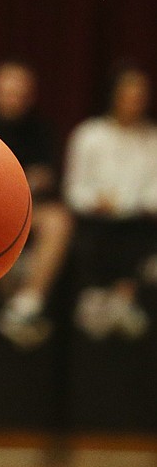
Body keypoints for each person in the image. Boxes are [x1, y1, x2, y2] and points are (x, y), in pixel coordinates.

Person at [0, 60, 74, 350]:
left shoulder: (39, 128)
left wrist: (20, 184)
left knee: (59, 220)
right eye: (7, 92)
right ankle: (9, 307)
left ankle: (26, 304)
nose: (13, 100)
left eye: (20, 94)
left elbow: (44, 175)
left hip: (27, 206)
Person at [63, 63, 157, 341]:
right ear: (114, 95)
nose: (134, 101)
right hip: (96, 222)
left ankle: (122, 299)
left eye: (140, 95)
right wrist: (96, 201)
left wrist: (138, 203)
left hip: (140, 222)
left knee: (136, 233)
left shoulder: (153, 138)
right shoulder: (88, 134)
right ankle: (100, 300)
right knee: (93, 235)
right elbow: (74, 190)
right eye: (128, 94)